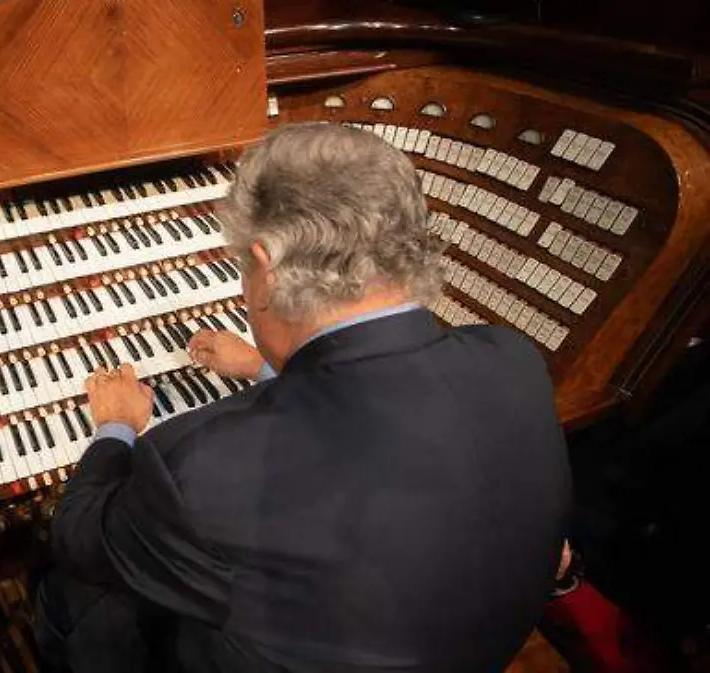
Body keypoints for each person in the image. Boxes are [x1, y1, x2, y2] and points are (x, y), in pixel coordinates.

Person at [35, 123, 572, 673]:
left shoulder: (201, 470)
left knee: (74, 596)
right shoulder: (512, 360)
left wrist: (116, 427)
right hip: (466, 647)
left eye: (241, 266)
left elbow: (79, 535)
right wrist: (268, 368)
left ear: (265, 270)